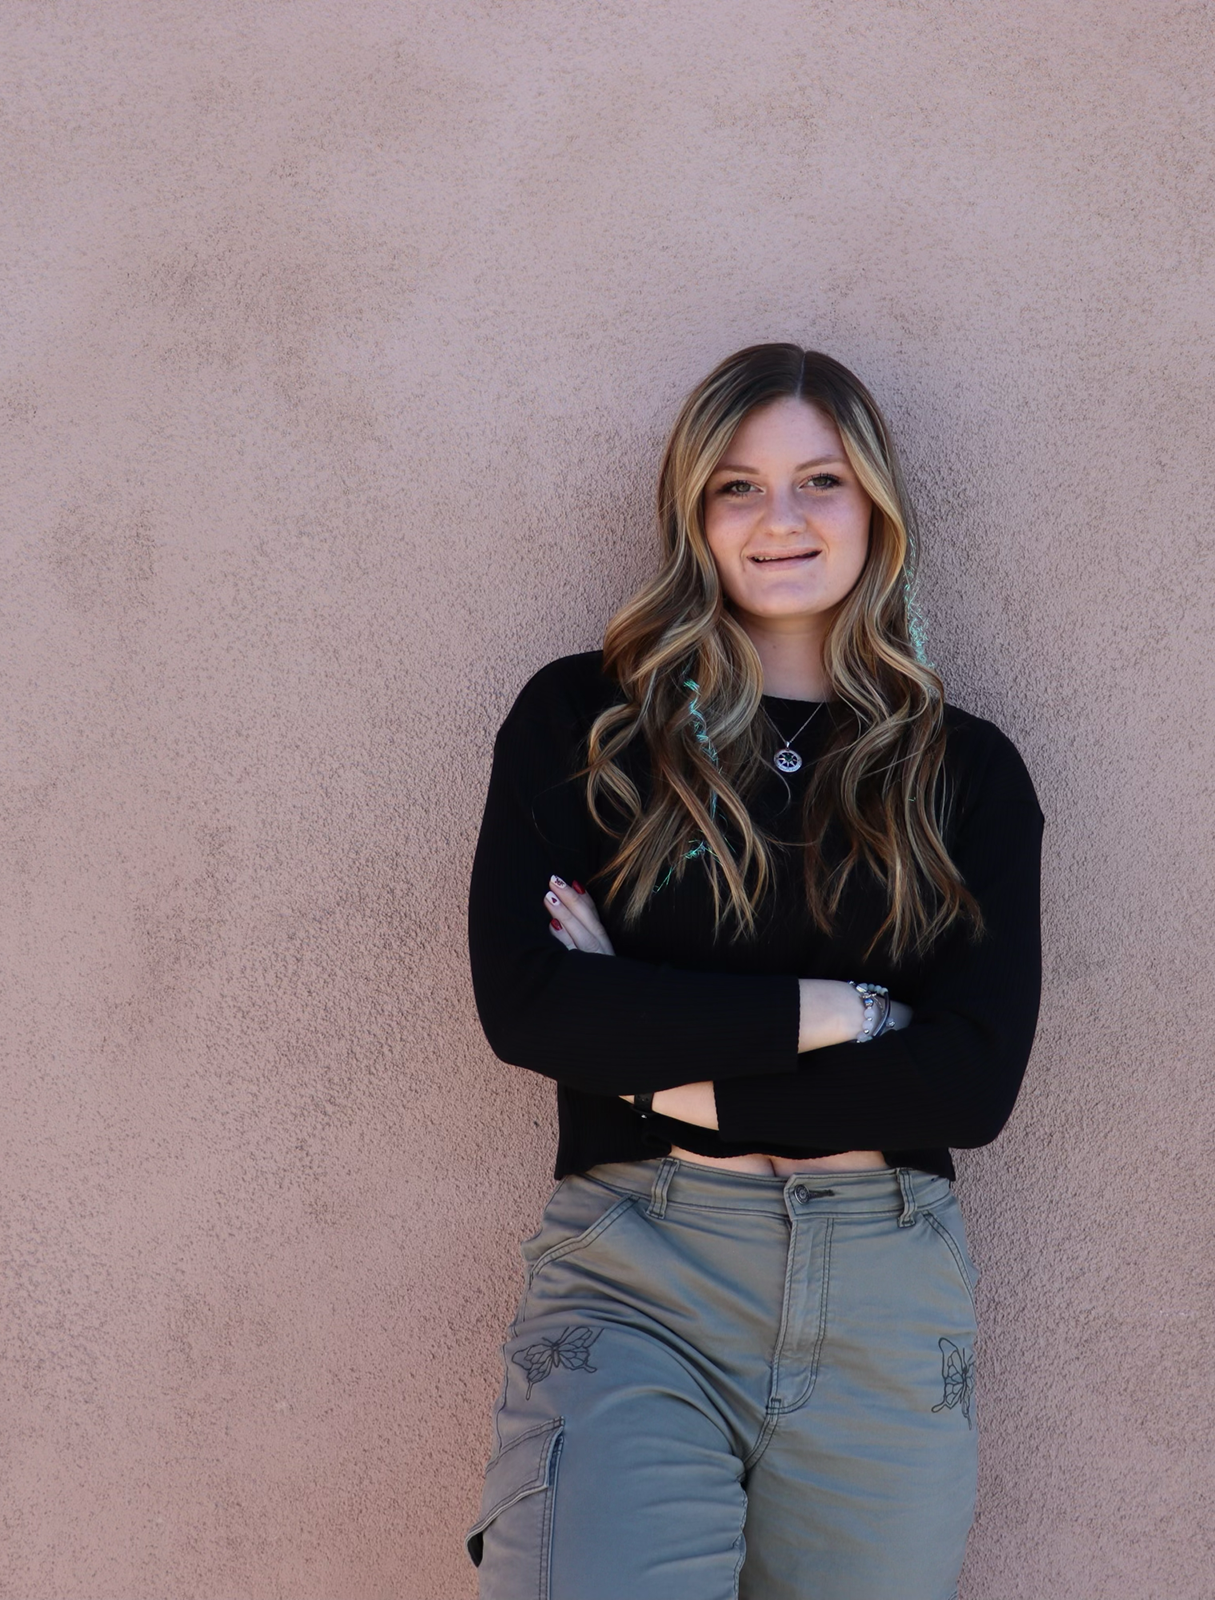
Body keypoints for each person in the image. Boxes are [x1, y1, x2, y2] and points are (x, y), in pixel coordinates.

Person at [463, 343, 1044, 1600]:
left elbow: (968, 1085)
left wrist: (658, 1068)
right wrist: (847, 1012)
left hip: (884, 1299)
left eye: (820, 480)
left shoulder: (966, 774)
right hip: (641, 1278)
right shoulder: (586, 726)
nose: (780, 518)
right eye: (739, 486)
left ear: (874, 506)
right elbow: (532, 1004)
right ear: (694, 513)